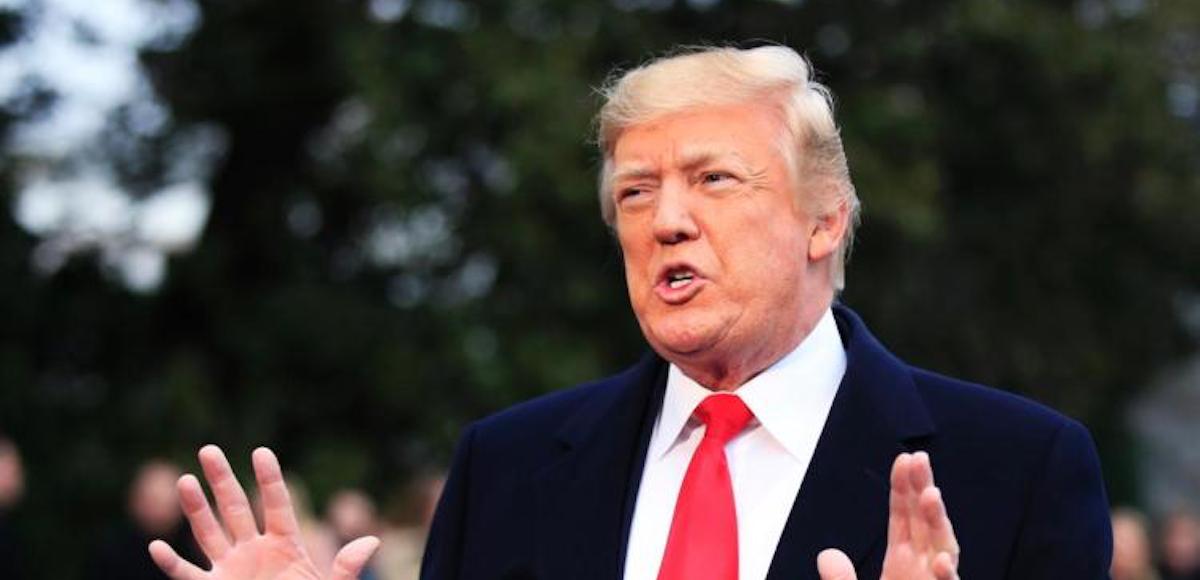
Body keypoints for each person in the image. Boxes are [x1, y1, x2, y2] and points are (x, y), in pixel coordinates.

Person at [148, 45, 1112, 580]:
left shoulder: (1016, 469)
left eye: (713, 180)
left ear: (825, 222)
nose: (668, 221)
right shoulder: (507, 467)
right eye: (638, 194)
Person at [92, 460, 205, 580]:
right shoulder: (111, 549)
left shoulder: (197, 546)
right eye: (150, 499)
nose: (157, 510)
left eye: (162, 500)